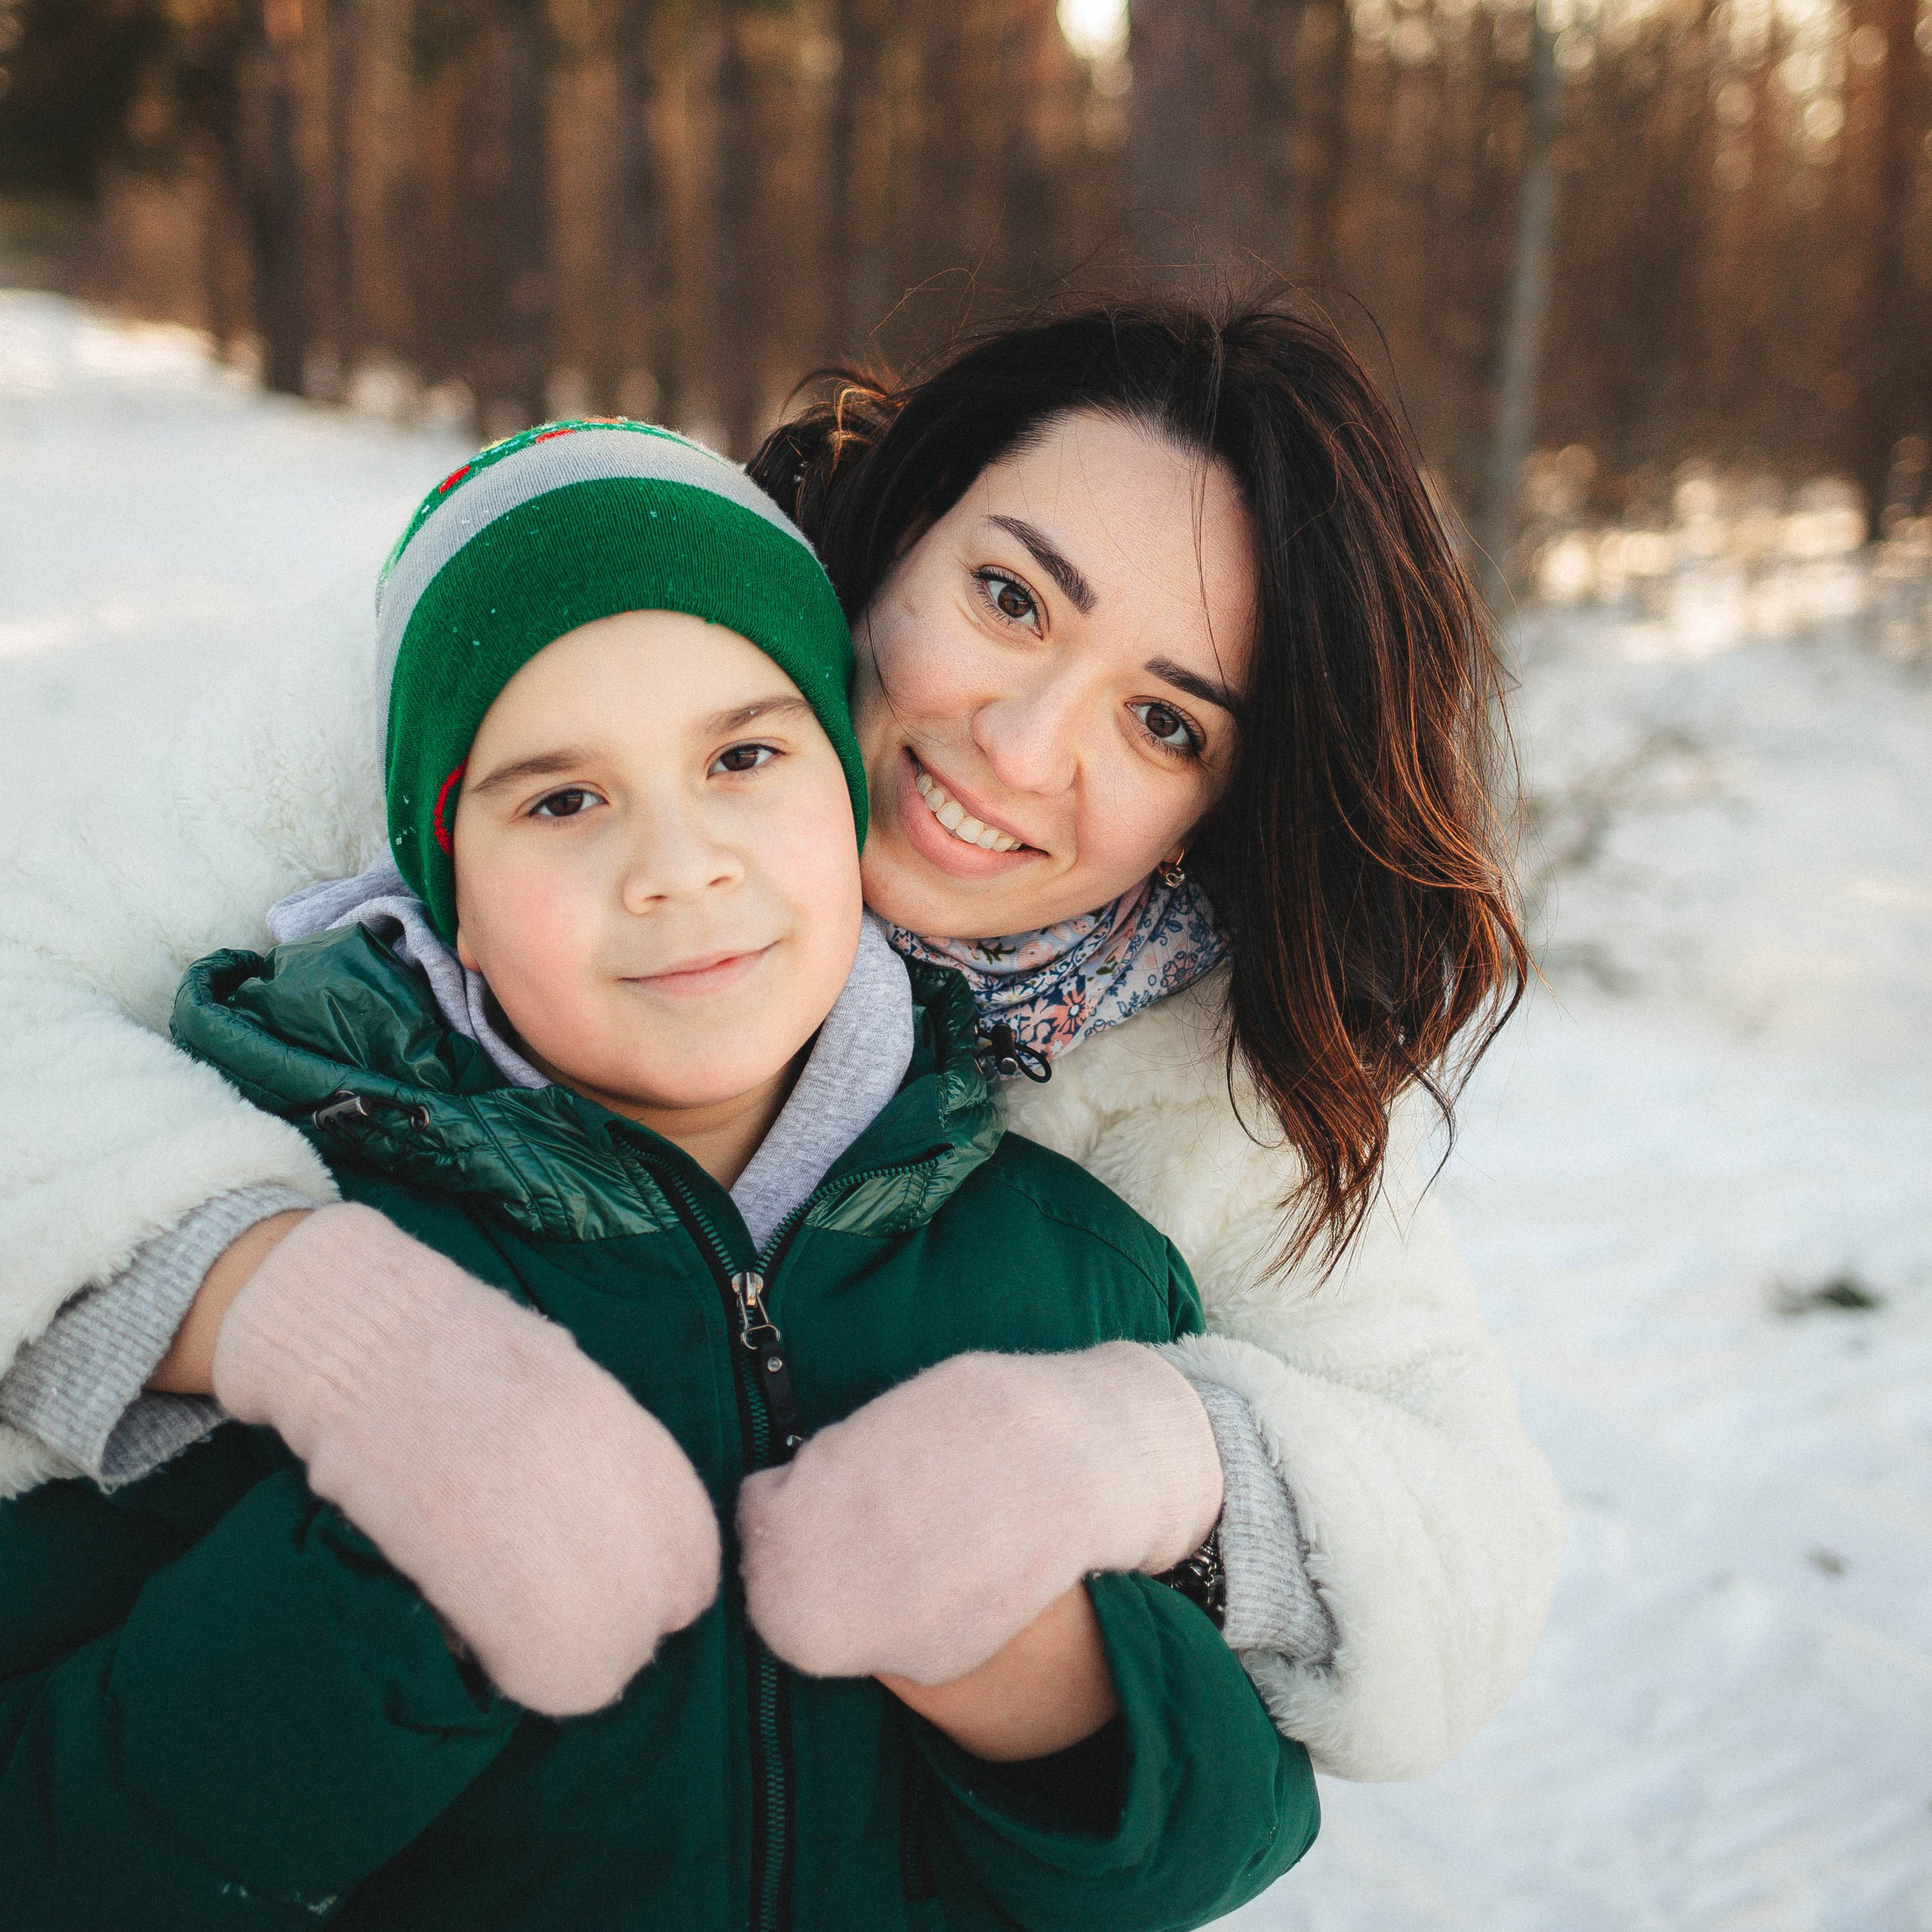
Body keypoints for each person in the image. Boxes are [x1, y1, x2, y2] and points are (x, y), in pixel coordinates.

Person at [0, 296, 1563, 1786]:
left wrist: (1135, 1451)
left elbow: (1467, 1547)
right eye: (1008, 598)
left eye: (1163, 722)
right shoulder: (568, 631)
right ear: (897, 531)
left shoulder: (1185, 1058)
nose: (1020, 749)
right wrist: (303, 1313)